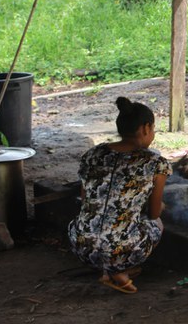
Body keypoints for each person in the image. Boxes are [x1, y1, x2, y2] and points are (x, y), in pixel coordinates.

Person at [68, 97, 172, 294]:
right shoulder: (155, 162)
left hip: (81, 245)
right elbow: (153, 213)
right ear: (145, 128)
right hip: (120, 250)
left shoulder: (93, 154)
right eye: (154, 128)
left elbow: (85, 200)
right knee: (156, 223)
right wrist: (160, 207)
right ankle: (121, 271)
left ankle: (108, 270)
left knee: (103, 225)